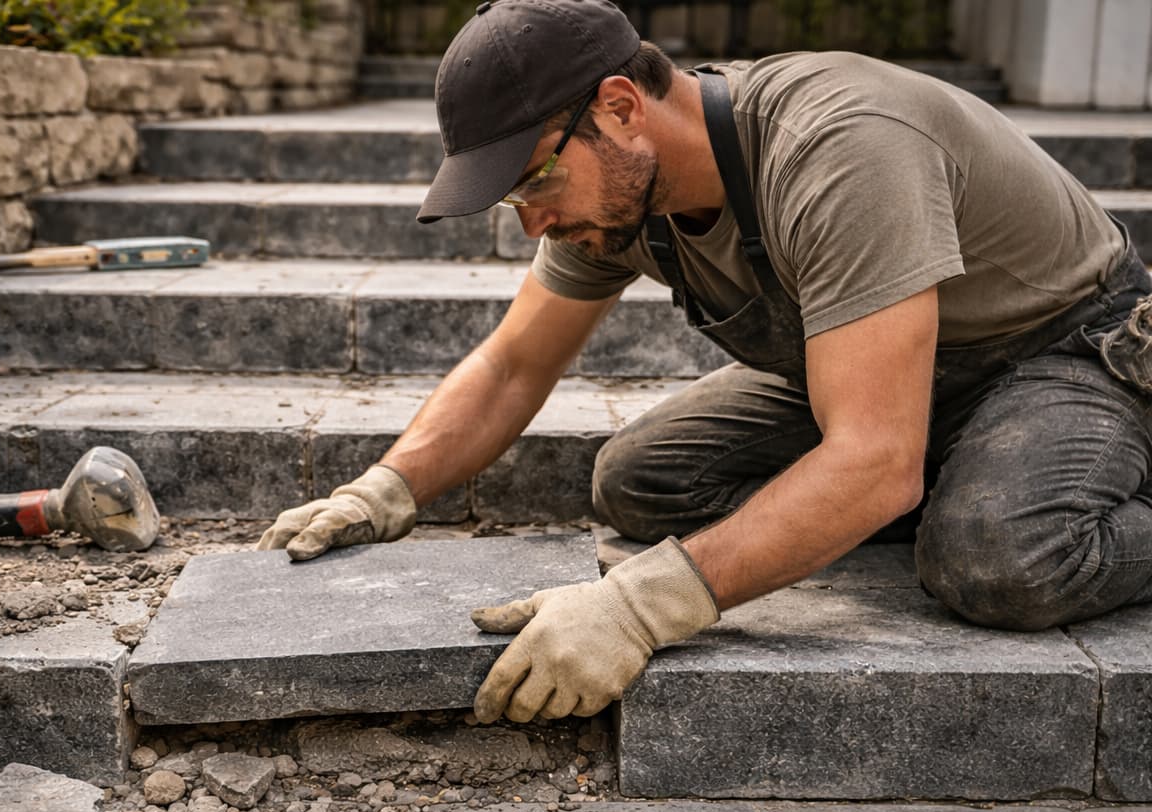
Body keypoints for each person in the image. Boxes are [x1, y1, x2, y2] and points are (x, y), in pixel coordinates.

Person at [259, 0, 1152, 726]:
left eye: (534, 181)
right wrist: (383, 490)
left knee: (999, 557)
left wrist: (644, 607)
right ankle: (949, 481)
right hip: (902, 370)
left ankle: (1012, 494)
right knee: (642, 483)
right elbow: (510, 368)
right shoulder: (615, 198)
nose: (530, 222)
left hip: (1062, 350)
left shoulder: (839, 146)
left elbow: (876, 458)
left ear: (618, 107)